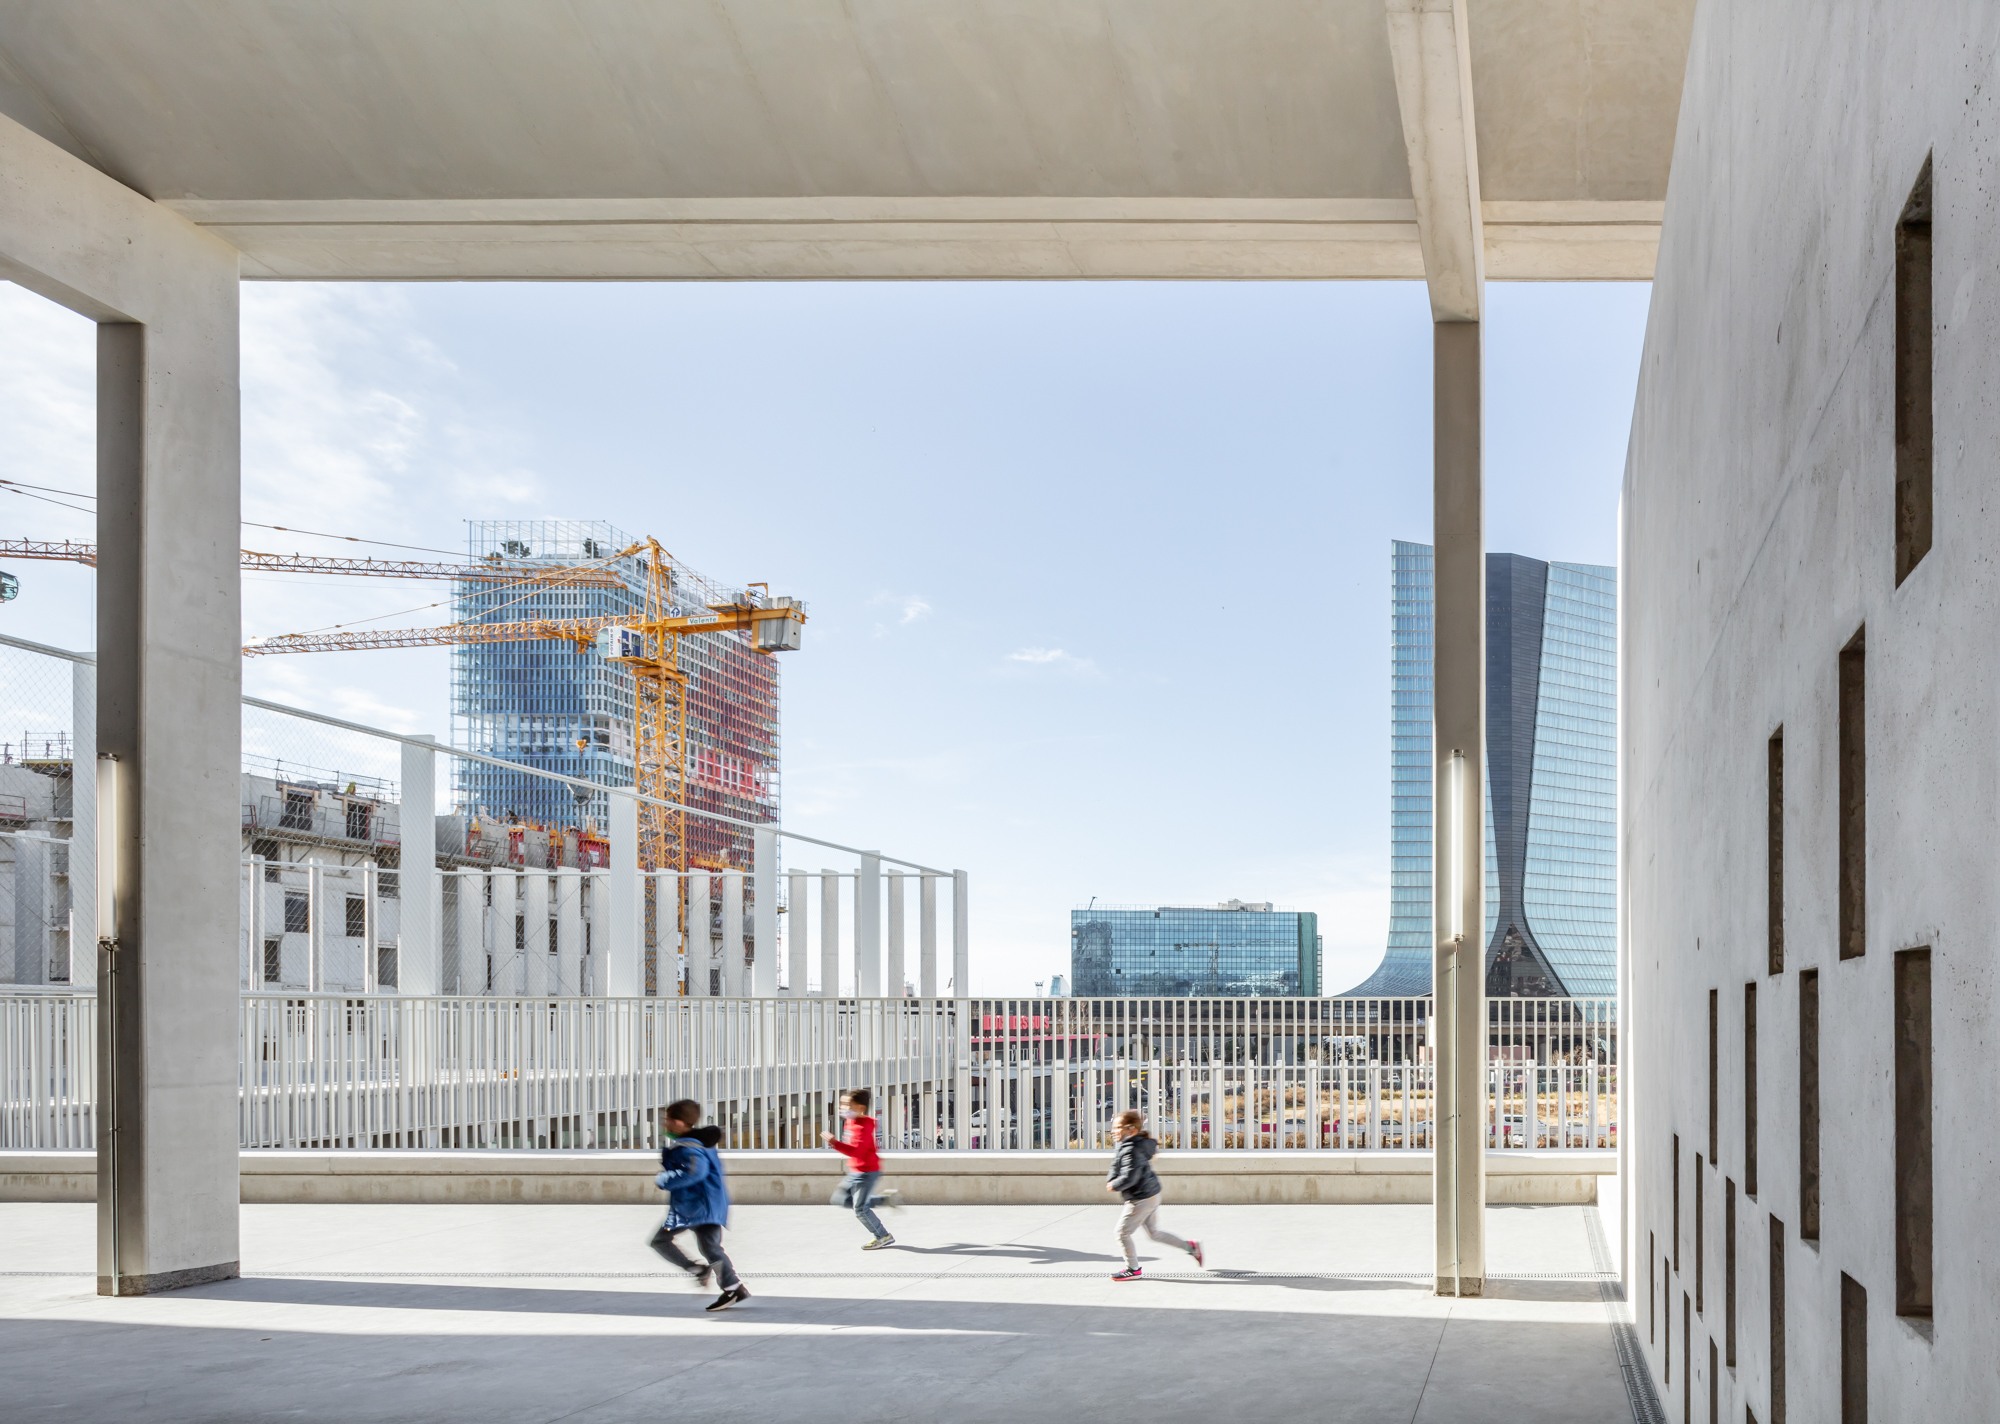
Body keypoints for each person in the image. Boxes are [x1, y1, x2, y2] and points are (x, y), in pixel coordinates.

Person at [651, 1098, 750, 1311]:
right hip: (705, 1205)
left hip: (697, 1207)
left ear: (678, 1122)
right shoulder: (700, 1143)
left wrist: (664, 1179)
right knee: (711, 1248)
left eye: (667, 1120)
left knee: (660, 1240)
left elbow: (695, 1172)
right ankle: (732, 1287)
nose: (664, 1124)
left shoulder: (689, 1147)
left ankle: (699, 1271)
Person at [1105, 1108, 1202, 1281]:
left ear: (1131, 1130)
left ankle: (1133, 1269)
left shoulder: (1131, 1149)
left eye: (1118, 1127)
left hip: (1141, 1199)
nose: (1113, 1131)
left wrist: (1115, 1184)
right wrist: (1111, 1178)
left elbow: (1130, 1176)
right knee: (1154, 1233)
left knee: (1122, 1233)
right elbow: (1116, 1164)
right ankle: (1190, 1247)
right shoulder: (1128, 1144)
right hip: (1150, 1195)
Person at [824, 1088, 900, 1249]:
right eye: (842, 1104)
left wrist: (834, 1143)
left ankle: (883, 1236)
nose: (842, 1107)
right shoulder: (851, 1121)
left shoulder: (863, 1127)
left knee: (860, 1209)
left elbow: (856, 1151)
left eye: (847, 1104)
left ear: (860, 1107)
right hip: (856, 1170)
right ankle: (884, 1200)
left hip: (867, 1172)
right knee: (840, 1199)